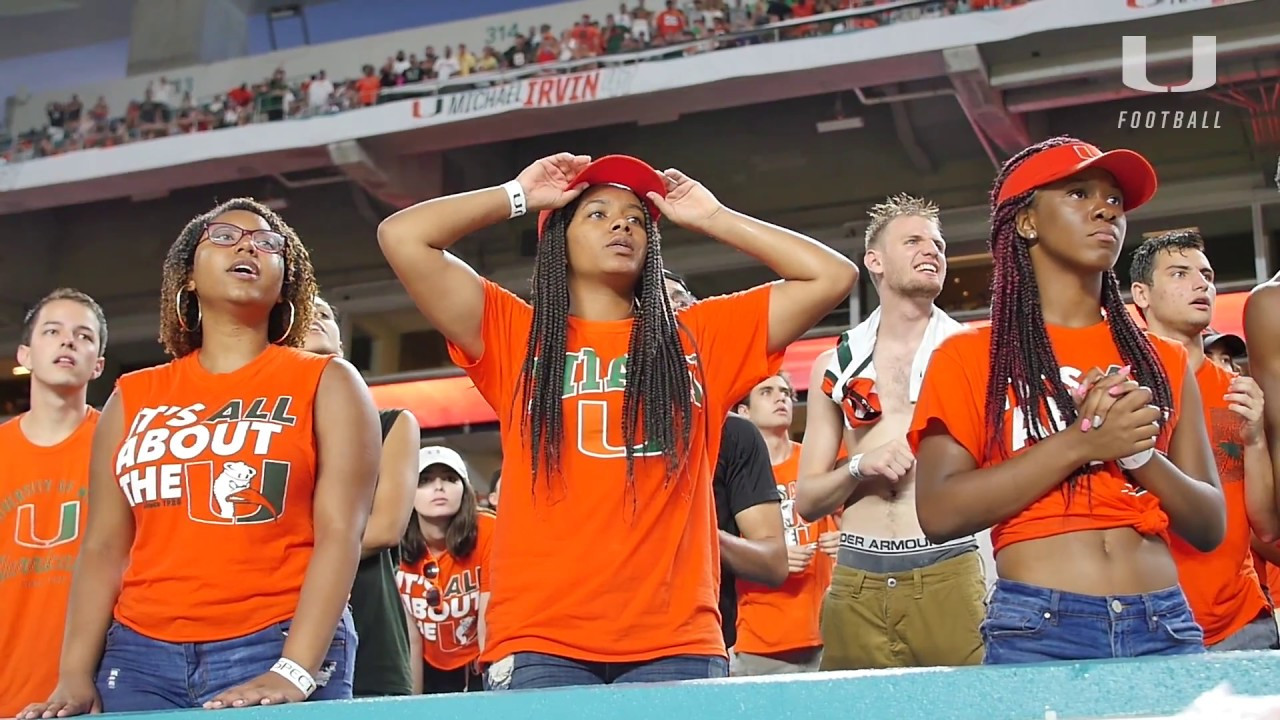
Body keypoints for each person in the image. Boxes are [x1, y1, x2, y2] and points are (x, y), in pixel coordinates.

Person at [378, 152, 857, 689]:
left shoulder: (699, 339)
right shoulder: (516, 335)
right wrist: (518, 194)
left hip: (676, 641)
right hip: (540, 640)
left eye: (634, 217)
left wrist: (712, 217)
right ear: (559, 238)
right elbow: (402, 236)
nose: (622, 225)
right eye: (598, 214)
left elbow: (832, 274)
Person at [20, 198, 382, 716]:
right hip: (139, 656)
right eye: (225, 236)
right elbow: (103, 546)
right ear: (188, 277)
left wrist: (295, 670)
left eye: (266, 243)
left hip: (275, 640)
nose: (247, 246)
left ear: (286, 281)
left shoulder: (327, 381)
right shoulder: (132, 395)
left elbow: (341, 533)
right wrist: (75, 675)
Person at [911, 137, 1225, 664]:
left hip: (1163, 623)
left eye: (1115, 200)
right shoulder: (970, 356)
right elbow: (939, 512)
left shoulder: (1162, 359)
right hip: (1040, 627)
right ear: (1027, 222)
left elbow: (1210, 524)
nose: (1106, 208)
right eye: (1078, 193)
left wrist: (1141, 457)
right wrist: (1084, 441)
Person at [794, 194, 988, 670]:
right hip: (857, 578)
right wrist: (859, 466)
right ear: (875, 261)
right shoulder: (834, 364)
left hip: (950, 566)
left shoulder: (975, 355)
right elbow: (807, 500)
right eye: (914, 240)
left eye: (939, 244)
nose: (933, 251)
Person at [1129, 229, 1279, 651]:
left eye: (1207, 275)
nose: (1201, 284)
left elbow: (1266, 526)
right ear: (1141, 294)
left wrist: (1255, 442)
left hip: (1245, 622)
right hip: (1152, 626)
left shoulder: (1241, 392)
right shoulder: (1126, 390)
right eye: (1179, 273)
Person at [663, 269, 788, 650]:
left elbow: (772, 561)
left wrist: (695, 532)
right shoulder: (587, 418)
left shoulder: (736, 435)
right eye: (659, 300)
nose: (675, 311)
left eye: (683, 301)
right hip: (584, 639)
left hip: (698, 639)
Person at [304, 295, 422, 695]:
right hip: (279, 618)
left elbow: (386, 528)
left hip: (368, 609)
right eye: (306, 313)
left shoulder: (392, 424)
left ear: (341, 345)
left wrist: (284, 556)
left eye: (325, 314)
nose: (317, 318)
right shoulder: (266, 434)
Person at [0, 289, 107, 718]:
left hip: (95, 689)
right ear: (25, 354)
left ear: (98, 364)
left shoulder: (121, 444)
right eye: (53, 331)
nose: (68, 342)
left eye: (83, 336)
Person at [732, 372, 836, 675]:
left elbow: (855, 522)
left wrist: (844, 539)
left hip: (823, 633)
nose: (781, 398)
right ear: (744, 412)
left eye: (785, 392)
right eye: (766, 392)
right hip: (759, 640)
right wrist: (768, 558)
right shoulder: (733, 474)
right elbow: (717, 547)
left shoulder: (816, 463)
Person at [399, 446, 496, 693]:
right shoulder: (392, 542)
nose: (439, 487)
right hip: (427, 665)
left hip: (480, 660)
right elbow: (410, 639)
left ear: (464, 490)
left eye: (450, 479)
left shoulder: (489, 531)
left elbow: (489, 621)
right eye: (425, 481)